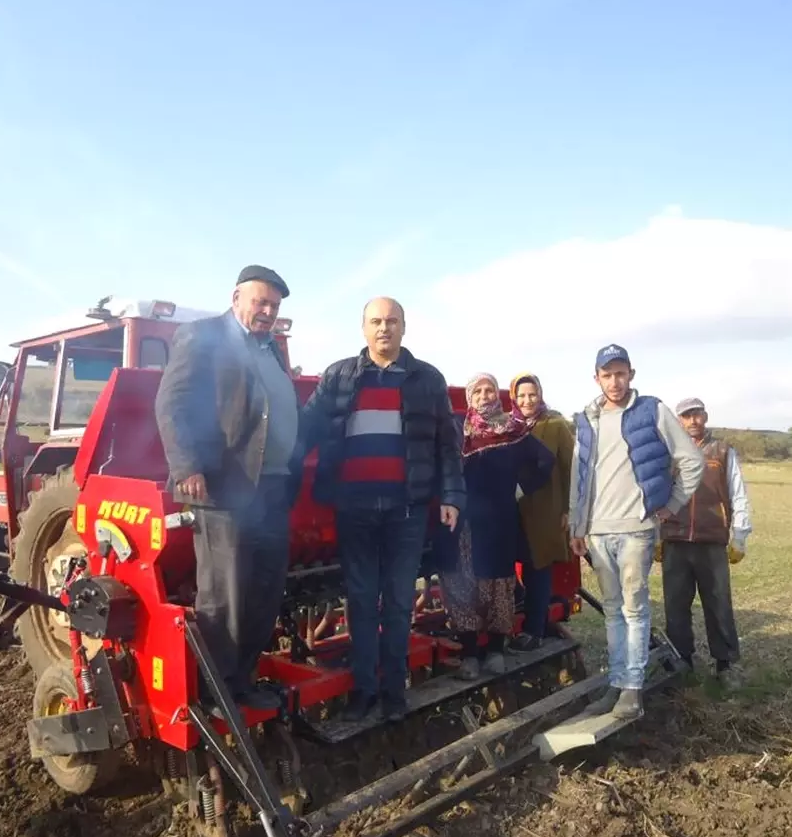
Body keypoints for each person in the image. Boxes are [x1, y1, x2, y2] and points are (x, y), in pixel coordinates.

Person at [301, 297, 465, 724]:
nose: (384, 328)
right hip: (353, 506)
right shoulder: (339, 377)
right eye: (376, 321)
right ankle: (363, 692)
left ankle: (394, 692)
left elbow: (447, 443)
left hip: (405, 509)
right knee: (360, 600)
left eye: (392, 321)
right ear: (363, 328)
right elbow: (307, 428)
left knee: (395, 601)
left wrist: (450, 495)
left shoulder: (427, 380)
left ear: (404, 328)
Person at [154, 265, 304, 712]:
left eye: (274, 306)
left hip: (273, 488)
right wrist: (187, 466)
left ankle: (243, 680)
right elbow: (172, 401)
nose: (267, 311)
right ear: (237, 296)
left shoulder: (271, 348)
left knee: (264, 588)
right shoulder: (202, 337)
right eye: (260, 302)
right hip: (225, 486)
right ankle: (217, 690)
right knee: (225, 593)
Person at [568, 343, 705, 720]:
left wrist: (670, 506)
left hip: (635, 530)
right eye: (607, 374)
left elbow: (692, 462)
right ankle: (616, 685)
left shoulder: (653, 411)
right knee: (612, 611)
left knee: (634, 609)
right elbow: (578, 478)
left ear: (631, 374)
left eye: (620, 373)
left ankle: (632, 690)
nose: (615, 381)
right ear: (596, 378)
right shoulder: (586, 419)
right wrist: (578, 524)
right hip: (597, 532)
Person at [436, 373, 554, 680]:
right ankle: (470, 654)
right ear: (470, 397)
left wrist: (519, 488)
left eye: (490, 390)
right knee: (463, 584)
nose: (485, 396)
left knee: (498, 586)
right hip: (463, 524)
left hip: (500, 520)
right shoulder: (458, 431)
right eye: (479, 392)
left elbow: (545, 462)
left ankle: (496, 651)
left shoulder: (514, 430)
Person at [660, 397, 753, 689]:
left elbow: (738, 494)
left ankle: (726, 664)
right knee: (675, 606)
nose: (692, 421)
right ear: (678, 421)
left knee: (718, 603)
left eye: (697, 415)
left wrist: (739, 535)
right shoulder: (669, 454)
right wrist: (654, 537)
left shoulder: (723, 452)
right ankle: (681, 661)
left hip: (711, 540)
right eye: (686, 416)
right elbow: (656, 496)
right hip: (675, 540)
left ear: (705, 416)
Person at [506, 372, 575, 653]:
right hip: (513, 510)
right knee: (512, 566)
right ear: (513, 398)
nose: (527, 400)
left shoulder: (555, 425)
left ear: (540, 394)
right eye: (521, 395)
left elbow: (571, 468)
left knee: (538, 568)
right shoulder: (509, 427)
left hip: (547, 510)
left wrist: (570, 509)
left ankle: (535, 630)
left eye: (532, 394)